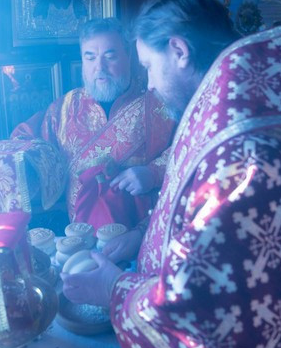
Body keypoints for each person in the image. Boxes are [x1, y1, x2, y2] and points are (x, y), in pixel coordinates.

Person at [61, 0, 281, 348]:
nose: (150, 82)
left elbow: (203, 312)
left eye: (149, 66)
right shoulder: (232, 104)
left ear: (179, 51)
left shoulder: (239, 147)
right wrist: (142, 237)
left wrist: (113, 289)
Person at [11, 17, 176, 231]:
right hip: (80, 235)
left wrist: (153, 173)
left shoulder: (159, 103)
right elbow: (25, 141)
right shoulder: (65, 108)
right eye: (90, 57)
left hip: (143, 232)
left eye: (110, 56)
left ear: (129, 55)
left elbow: (188, 147)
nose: (100, 67)